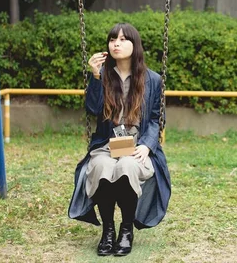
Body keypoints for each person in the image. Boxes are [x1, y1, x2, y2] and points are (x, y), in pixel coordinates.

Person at [68, 23, 171, 256]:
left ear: (135, 45)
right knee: (102, 167)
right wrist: (94, 76)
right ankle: (108, 231)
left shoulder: (152, 80)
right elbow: (93, 109)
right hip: (107, 144)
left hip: (137, 145)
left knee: (126, 167)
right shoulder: (102, 75)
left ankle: (126, 230)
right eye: (113, 39)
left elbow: (156, 119)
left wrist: (147, 145)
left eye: (123, 39)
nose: (116, 43)